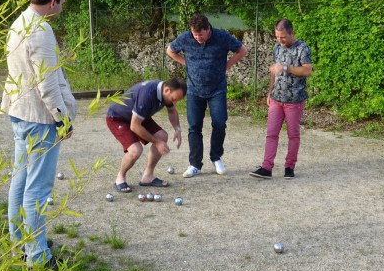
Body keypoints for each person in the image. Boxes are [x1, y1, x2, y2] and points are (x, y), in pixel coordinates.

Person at [2, 0, 76, 268]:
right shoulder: (41, 30)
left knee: (19, 181)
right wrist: (62, 117)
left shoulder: (19, 22)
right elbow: (47, 82)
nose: (62, 7)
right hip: (39, 116)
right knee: (37, 189)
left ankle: (21, 242)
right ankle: (38, 256)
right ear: (53, 2)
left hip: (19, 111)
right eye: (63, 2)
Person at [166, 13, 247, 178]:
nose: (197, 38)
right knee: (194, 126)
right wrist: (186, 63)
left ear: (208, 29)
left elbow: (242, 50)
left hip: (217, 89)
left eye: (200, 34)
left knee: (219, 123)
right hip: (194, 90)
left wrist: (227, 65)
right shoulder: (186, 38)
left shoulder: (221, 37)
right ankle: (195, 164)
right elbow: (170, 50)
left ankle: (216, 157)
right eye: (195, 35)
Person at [250, 19, 312, 179]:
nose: (280, 40)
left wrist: (286, 67)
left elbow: (307, 71)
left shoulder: (302, 48)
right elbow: (274, 72)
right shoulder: (277, 47)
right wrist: (270, 91)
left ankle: (289, 167)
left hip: (294, 100)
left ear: (292, 33)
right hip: (277, 98)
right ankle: (266, 167)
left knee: (293, 134)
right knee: (271, 133)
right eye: (277, 36)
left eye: (283, 37)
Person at [106, 78, 187, 192]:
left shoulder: (165, 92)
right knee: (135, 150)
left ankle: (147, 176)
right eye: (174, 98)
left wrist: (177, 129)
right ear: (167, 90)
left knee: (162, 136)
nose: (175, 102)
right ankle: (120, 178)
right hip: (118, 118)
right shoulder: (147, 94)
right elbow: (134, 126)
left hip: (139, 117)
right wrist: (156, 142)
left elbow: (172, 111)